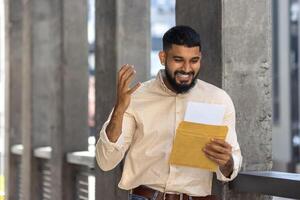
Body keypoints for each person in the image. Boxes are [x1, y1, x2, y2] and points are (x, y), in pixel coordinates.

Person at [96, 25, 242, 200]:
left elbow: (230, 167)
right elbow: (106, 161)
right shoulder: (136, 97)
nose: (187, 69)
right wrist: (119, 110)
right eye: (179, 60)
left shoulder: (218, 99)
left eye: (194, 60)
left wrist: (227, 161)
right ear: (163, 57)